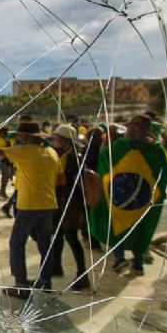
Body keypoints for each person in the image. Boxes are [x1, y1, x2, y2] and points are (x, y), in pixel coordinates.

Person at [0, 122, 64, 299]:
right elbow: (61, 180)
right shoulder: (51, 152)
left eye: (20, 134)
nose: (19, 137)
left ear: (25, 136)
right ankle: (45, 281)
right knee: (45, 245)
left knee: (17, 243)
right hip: (49, 204)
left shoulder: (24, 150)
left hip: (29, 205)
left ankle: (21, 286)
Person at [89, 114, 167, 276]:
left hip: (119, 198)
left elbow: (105, 159)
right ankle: (138, 264)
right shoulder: (156, 150)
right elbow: (162, 174)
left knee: (116, 226)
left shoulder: (119, 146)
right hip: (143, 201)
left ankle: (120, 260)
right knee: (140, 228)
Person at [49, 124, 90, 289]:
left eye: (56, 139)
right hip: (61, 201)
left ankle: (82, 274)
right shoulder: (64, 155)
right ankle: (57, 266)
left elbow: (68, 181)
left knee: (72, 237)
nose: (53, 141)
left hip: (70, 203)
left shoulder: (73, 158)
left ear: (65, 141)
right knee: (58, 235)